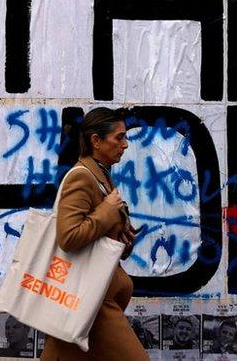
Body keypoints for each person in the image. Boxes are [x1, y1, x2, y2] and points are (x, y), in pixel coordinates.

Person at [39, 108, 143, 361]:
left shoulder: (101, 176)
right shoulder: (82, 178)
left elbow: (97, 234)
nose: (125, 144)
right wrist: (107, 211)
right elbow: (69, 236)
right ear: (96, 141)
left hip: (91, 295)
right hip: (91, 298)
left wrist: (123, 238)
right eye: (119, 137)